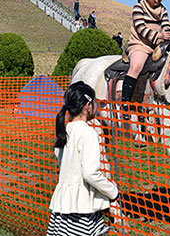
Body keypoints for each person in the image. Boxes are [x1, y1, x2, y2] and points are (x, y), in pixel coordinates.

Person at [46, 81, 119, 236]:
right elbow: (90, 173)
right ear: (87, 105)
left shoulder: (65, 130)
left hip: (63, 207)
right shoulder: (88, 133)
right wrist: (113, 192)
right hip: (82, 210)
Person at [121, 0, 170, 104]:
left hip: (158, 45)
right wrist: (160, 36)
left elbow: (166, 24)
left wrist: (168, 33)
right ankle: (125, 103)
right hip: (140, 44)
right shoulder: (138, 8)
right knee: (136, 66)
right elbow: (141, 29)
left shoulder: (162, 9)